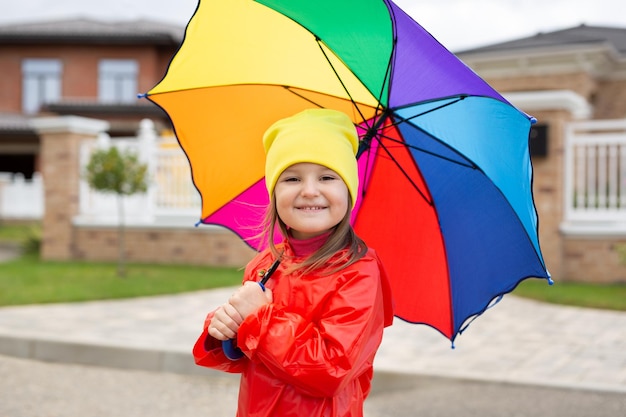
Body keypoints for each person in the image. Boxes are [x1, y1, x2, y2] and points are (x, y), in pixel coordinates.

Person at [192, 108, 394, 417]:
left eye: (327, 176)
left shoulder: (358, 271)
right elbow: (249, 356)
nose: (310, 190)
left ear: (348, 191)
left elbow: (330, 369)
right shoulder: (264, 264)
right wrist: (225, 329)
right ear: (274, 193)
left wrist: (258, 318)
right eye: (292, 178)